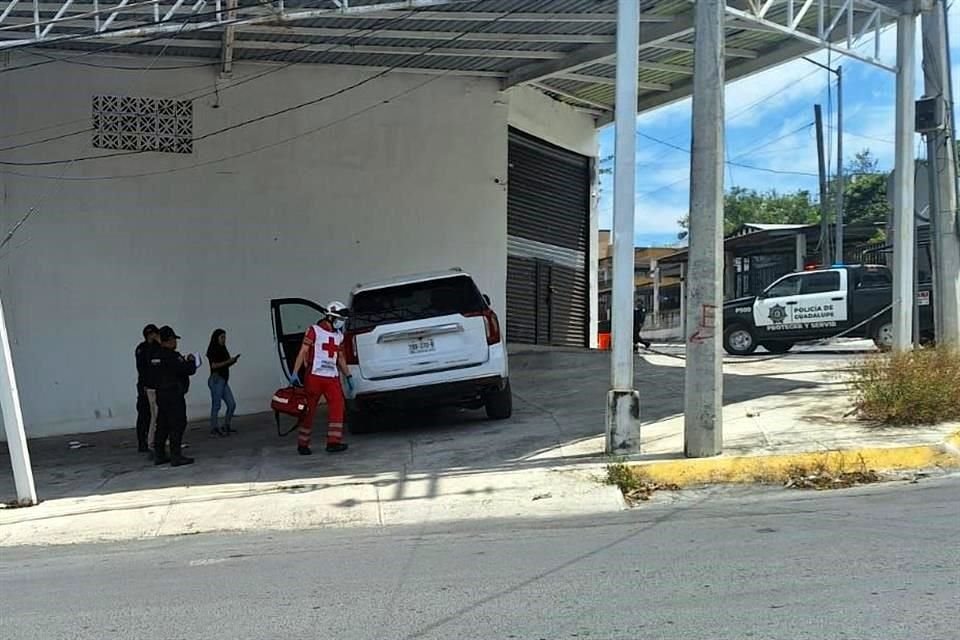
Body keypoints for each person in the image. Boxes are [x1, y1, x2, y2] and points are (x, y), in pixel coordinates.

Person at [289, 301, 352, 456]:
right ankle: (302, 444)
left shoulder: (339, 336)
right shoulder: (314, 330)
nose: (341, 323)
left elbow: (341, 357)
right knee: (308, 410)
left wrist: (348, 376)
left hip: (332, 378)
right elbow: (303, 351)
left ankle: (333, 442)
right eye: (339, 319)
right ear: (330, 317)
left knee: (338, 407)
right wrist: (295, 372)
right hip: (314, 376)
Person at [150, 326, 198, 466]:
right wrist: (191, 361)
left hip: (161, 394)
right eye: (174, 339)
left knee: (163, 425)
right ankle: (176, 456)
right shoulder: (172, 356)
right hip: (173, 394)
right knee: (177, 424)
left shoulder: (155, 356)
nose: (175, 343)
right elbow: (187, 370)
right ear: (170, 340)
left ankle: (159, 455)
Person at [206, 328, 240, 437]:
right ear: (216, 338)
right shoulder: (213, 349)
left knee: (231, 404)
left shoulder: (223, 349)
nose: (224, 339)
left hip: (223, 380)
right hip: (217, 380)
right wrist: (228, 361)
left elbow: (225, 363)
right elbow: (214, 365)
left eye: (224, 337)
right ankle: (214, 428)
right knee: (216, 405)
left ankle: (226, 425)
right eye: (222, 337)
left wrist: (232, 361)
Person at [135, 324, 161, 454]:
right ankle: (142, 443)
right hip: (145, 386)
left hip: (156, 386)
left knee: (155, 416)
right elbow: (142, 369)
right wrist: (144, 386)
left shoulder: (158, 347)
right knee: (144, 415)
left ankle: (154, 441)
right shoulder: (142, 349)